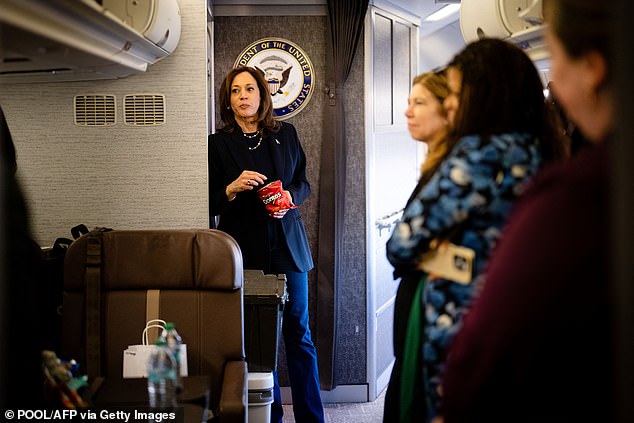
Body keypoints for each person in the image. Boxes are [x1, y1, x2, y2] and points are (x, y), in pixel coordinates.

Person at [440, 1, 615, 422]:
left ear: (593, 69)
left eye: (555, 58)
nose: (553, 77)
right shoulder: (551, 156)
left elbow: (486, 355)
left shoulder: (576, 193)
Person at [385, 38, 566, 423]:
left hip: (460, 322)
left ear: (482, 93)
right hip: (514, 317)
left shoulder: (479, 155)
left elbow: (401, 245)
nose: (451, 104)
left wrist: (445, 259)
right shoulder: (541, 150)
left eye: (453, 92)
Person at [208, 66, 324, 423]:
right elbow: (207, 202)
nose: (243, 96)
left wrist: (290, 195)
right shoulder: (218, 143)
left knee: (299, 334)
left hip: (288, 246)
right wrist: (230, 187)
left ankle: (311, 417)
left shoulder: (285, 134)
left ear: (262, 94)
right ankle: (268, 416)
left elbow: (303, 181)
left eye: (250, 89)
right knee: (258, 343)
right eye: (235, 91)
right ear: (228, 101)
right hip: (245, 250)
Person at [383, 70, 451, 423]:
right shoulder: (433, 167)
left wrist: (428, 256)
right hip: (415, 293)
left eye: (419, 102)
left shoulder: (452, 174)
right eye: (408, 102)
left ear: (449, 109)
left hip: (432, 303)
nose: (407, 112)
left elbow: (402, 247)